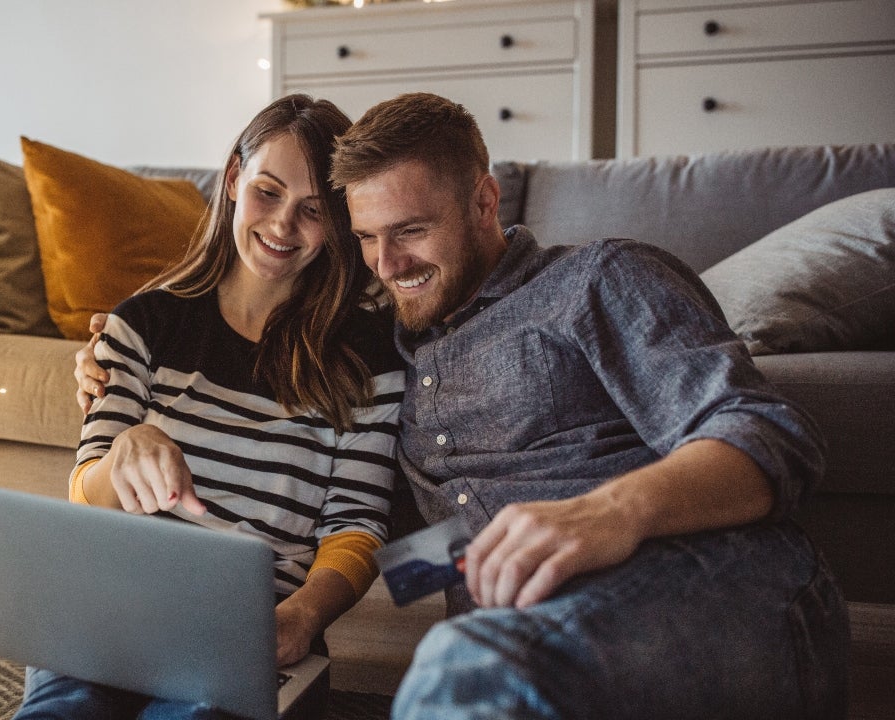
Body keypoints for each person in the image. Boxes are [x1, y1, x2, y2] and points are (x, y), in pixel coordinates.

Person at [78, 92, 850, 719]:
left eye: (412, 231)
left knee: (462, 670)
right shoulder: (396, 353)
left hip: (697, 583)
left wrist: (606, 513)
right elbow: (392, 541)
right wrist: (305, 609)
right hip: (527, 632)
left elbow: (772, 437)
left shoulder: (597, 282)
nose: (389, 264)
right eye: (369, 239)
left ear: (485, 201)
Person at [16, 94, 405, 720]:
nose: (282, 226)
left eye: (312, 210)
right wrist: (122, 454)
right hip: (110, 610)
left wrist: (301, 617)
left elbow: (355, 526)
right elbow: (85, 495)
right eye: (267, 192)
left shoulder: (368, 358)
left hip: (254, 636)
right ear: (232, 180)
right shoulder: (143, 322)